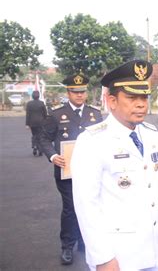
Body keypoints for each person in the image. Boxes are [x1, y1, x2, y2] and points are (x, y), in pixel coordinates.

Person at [71, 60, 158, 271]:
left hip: (154, 243)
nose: (141, 104)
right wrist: (103, 257)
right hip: (119, 253)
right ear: (112, 101)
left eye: (144, 97)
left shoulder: (151, 134)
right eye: (131, 97)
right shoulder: (92, 140)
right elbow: (86, 204)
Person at [39, 73, 102, 265]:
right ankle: (67, 246)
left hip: (91, 171)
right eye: (75, 92)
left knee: (91, 206)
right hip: (67, 171)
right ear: (68, 92)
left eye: (82, 91)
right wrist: (52, 156)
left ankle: (85, 242)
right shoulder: (57, 115)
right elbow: (43, 139)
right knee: (71, 208)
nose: (80, 95)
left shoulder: (95, 114)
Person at [25, 90, 47, 156]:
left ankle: (34, 146)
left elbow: (28, 114)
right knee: (40, 135)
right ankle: (40, 150)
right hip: (41, 122)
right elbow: (45, 113)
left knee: (34, 135)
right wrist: (46, 121)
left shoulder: (29, 104)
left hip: (32, 122)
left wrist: (27, 124)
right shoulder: (41, 103)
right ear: (39, 96)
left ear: (32, 96)